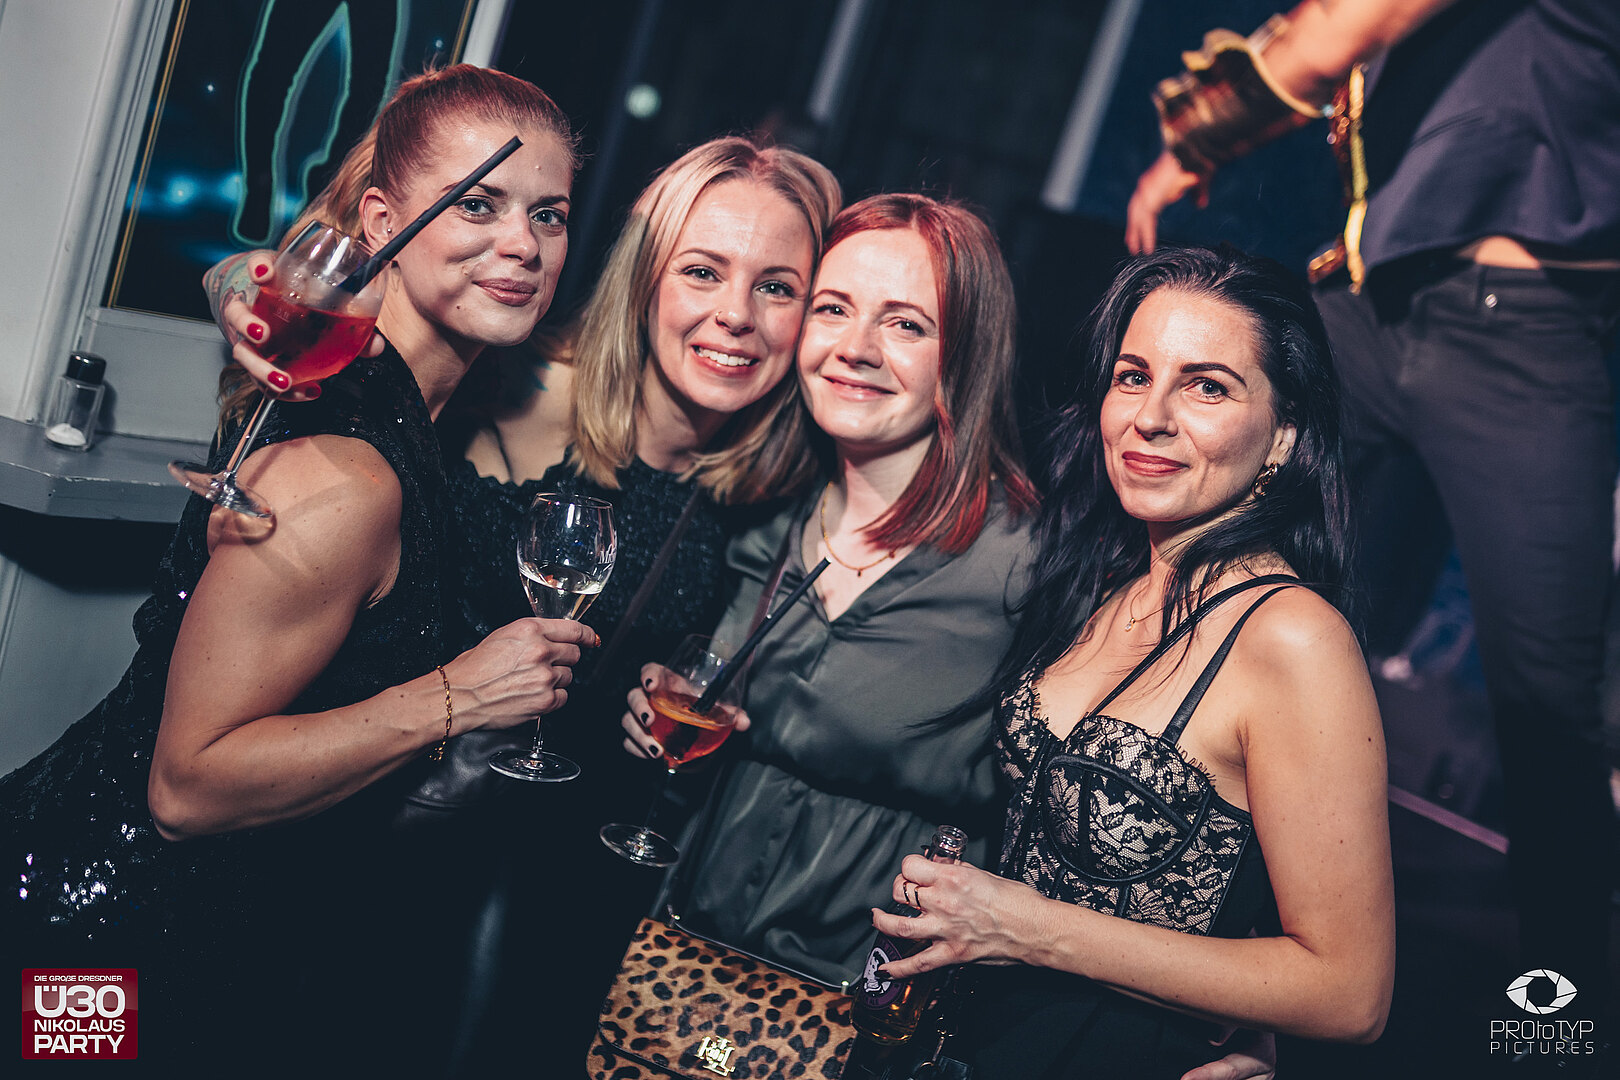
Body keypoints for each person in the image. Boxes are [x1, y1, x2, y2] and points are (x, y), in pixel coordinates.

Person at [1, 65, 594, 1066]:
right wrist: (457, 695)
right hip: (96, 941)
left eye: (550, 215)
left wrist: (242, 276)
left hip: (203, 944)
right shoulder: (346, 476)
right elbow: (186, 790)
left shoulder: (388, 405)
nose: (524, 244)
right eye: (478, 204)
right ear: (383, 221)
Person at [211, 133, 843, 1063]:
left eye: (777, 287)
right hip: (354, 851)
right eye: (702, 271)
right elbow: (331, 328)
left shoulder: (761, 484)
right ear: (644, 279)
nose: (735, 316)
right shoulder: (511, 386)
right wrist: (234, 282)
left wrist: (652, 705)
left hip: (541, 889)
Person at [1125, 0, 1619, 1005]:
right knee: (1186, 549)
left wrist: (1194, 139)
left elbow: (1342, 26)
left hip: (1522, 336)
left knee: (1548, 712)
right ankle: (1117, 865)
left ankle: (1564, 1033)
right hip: (1372, 303)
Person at [870, 247, 1395, 1079]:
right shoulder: (1109, 582)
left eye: (1207, 387)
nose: (1150, 416)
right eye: (1133, 376)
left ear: (1283, 435)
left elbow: (1350, 993)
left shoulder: (1292, 637)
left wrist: (1027, 929)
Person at [620, 192, 1041, 986]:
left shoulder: (1029, 565)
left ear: (966, 354)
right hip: (687, 964)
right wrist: (666, 728)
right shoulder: (760, 514)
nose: (856, 348)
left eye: (905, 324)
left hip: (867, 997)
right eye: (833, 308)